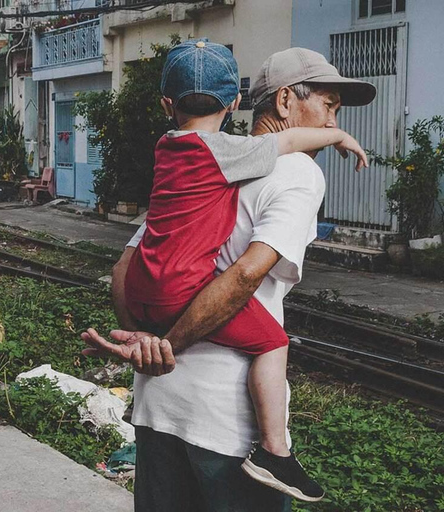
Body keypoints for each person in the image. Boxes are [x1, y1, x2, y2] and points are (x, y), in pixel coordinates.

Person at [82, 47, 376, 511]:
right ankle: (276, 454)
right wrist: (171, 345)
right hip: (223, 425)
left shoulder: (199, 158)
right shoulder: (297, 170)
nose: (330, 120)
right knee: (272, 341)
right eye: (329, 105)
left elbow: (125, 268)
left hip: (158, 405)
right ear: (284, 102)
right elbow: (246, 275)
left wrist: (146, 338)